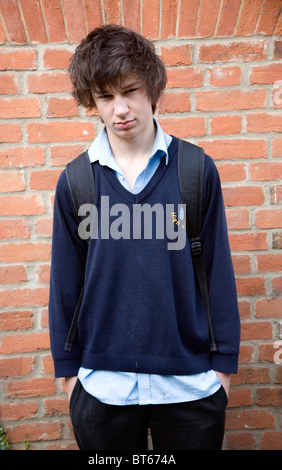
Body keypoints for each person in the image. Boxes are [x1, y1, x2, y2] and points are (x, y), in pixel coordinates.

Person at [49, 24, 240, 450]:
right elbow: (65, 282)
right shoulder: (77, 181)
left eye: (130, 90)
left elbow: (218, 272)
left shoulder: (195, 171)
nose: (121, 109)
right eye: (105, 96)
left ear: (152, 88)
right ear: (91, 103)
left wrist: (222, 372)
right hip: (103, 389)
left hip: (190, 387)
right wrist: (70, 376)